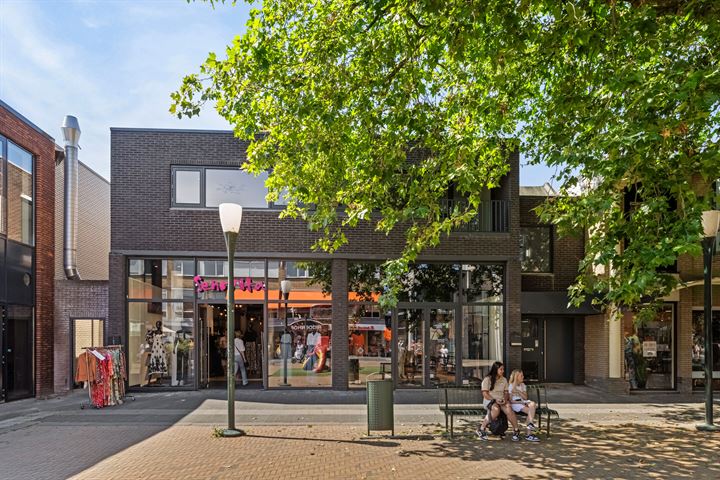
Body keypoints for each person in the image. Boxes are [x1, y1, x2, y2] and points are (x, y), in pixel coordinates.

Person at [475, 361, 534, 442]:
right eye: (501, 369)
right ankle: (481, 429)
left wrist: (505, 400)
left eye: (503, 369)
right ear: (495, 369)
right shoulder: (487, 379)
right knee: (496, 409)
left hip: (501, 400)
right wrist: (494, 400)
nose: (503, 371)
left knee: (509, 408)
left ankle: (516, 431)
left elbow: (506, 393)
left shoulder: (504, 379)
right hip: (490, 400)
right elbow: (485, 394)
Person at [508, 369, 539, 441]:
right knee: (531, 411)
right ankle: (529, 434)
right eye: (521, 376)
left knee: (532, 404)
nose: (523, 377)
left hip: (523, 402)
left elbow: (525, 397)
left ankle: (530, 424)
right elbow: (511, 401)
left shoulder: (523, 385)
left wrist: (518, 391)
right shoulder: (511, 386)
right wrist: (521, 402)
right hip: (516, 404)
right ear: (516, 377)